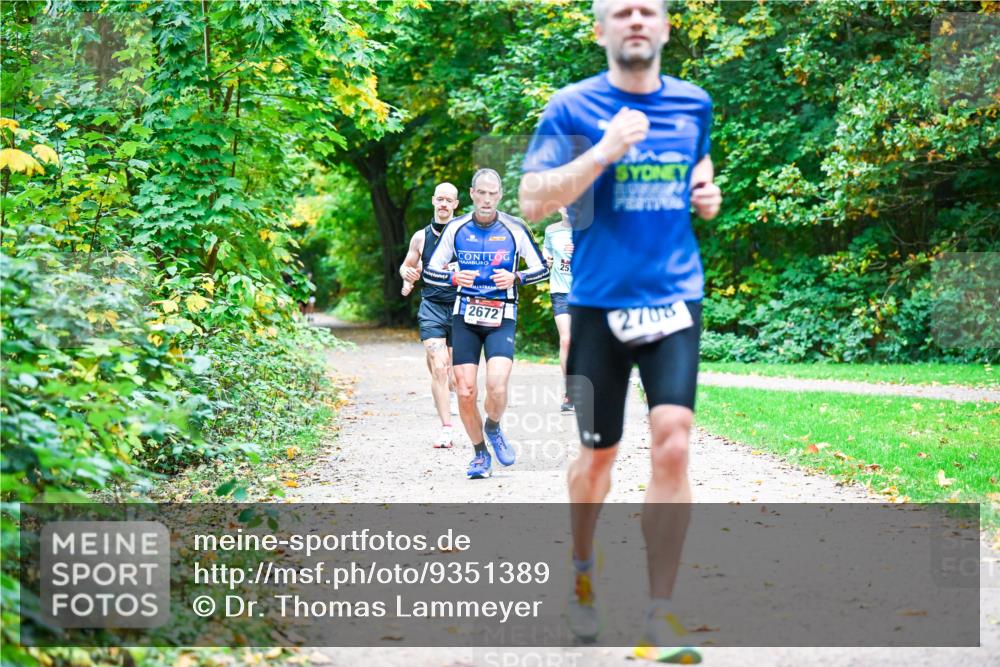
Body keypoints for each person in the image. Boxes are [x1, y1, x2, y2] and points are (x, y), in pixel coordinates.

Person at [519, 0, 723, 662]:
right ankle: (583, 567)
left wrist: (706, 192)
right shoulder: (572, 107)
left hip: (673, 296)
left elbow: (699, 163)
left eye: (647, 10)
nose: (636, 20)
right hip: (598, 303)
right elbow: (532, 200)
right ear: (600, 28)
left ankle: (660, 615)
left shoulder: (693, 103)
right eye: (622, 11)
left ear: (665, 26)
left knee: (674, 442)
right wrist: (604, 151)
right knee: (597, 459)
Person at [424, 168, 549, 479]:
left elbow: (542, 269)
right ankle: (480, 453)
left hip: (501, 314)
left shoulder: (515, 228)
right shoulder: (456, 228)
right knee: (465, 391)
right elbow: (430, 271)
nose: (487, 199)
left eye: (493, 194)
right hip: (464, 315)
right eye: (481, 193)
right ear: (472, 194)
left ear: (500, 196)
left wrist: (516, 277)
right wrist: (453, 278)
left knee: (496, 384)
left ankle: (493, 426)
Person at [398, 182, 461, 449]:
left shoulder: (466, 234)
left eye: (449, 200)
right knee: (439, 365)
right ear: (434, 201)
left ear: (456, 204)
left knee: (454, 373)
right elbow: (406, 266)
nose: (444, 204)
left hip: (460, 306)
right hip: (432, 306)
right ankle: (446, 429)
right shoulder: (420, 237)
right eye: (440, 199)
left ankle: (450, 390)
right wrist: (407, 275)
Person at [542, 206, 575, 413]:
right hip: (560, 291)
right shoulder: (551, 230)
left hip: (585, 293)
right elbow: (546, 249)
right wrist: (546, 257)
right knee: (566, 340)